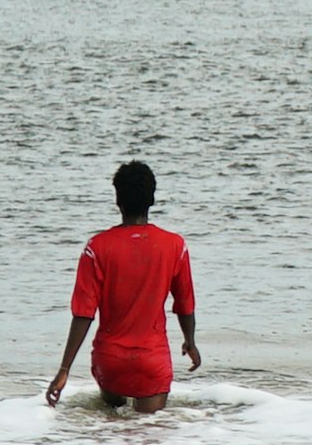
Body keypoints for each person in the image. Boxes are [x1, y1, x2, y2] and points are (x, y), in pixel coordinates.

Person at [45, 159, 199, 412]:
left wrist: (64, 370)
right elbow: (185, 304)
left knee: (112, 427)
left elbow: (83, 313)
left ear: (118, 201)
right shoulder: (175, 246)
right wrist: (189, 342)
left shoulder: (97, 248)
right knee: (152, 433)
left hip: (111, 360)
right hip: (153, 359)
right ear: (152, 200)